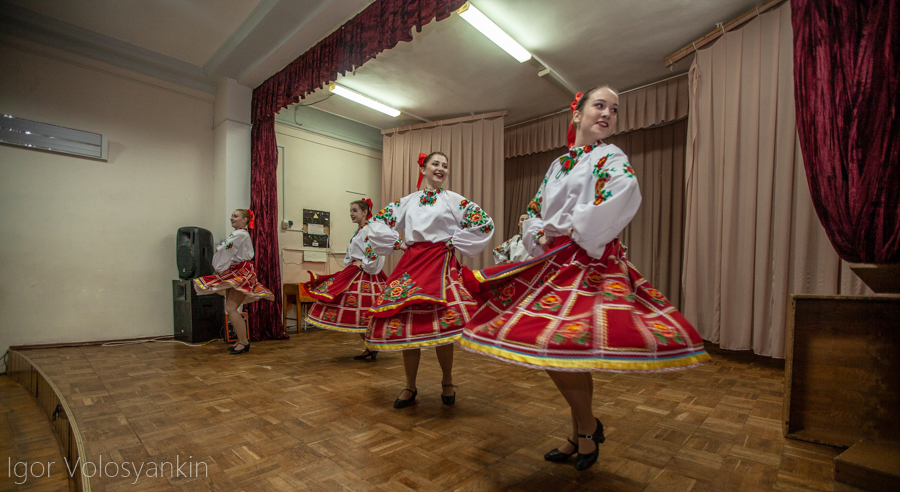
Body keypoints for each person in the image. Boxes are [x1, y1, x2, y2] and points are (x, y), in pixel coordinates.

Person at [460, 86, 710, 471]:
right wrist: (539, 231)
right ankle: (583, 429)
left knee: (565, 349)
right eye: (599, 105)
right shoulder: (557, 165)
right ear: (576, 114)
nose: (607, 113)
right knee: (553, 350)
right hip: (556, 259)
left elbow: (622, 192)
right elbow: (533, 209)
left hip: (589, 259)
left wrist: (563, 226)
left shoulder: (611, 155)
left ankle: (586, 430)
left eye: (614, 109)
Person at [366, 151, 495, 408]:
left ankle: (447, 381)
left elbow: (483, 222)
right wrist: (397, 243)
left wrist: (455, 241)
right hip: (412, 264)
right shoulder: (408, 201)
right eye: (435, 164)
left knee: (442, 324)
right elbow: (377, 221)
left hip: (440, 262)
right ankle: (409, 385)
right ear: (423, 169)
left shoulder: (453, 200)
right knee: (407, 324)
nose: (441, 168)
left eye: (445, 165)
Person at [304, 199, 387, 360]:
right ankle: (371, 347)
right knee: (360, 313)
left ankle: (373, 345)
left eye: (355, 210)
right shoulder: (360, 230)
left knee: (364, 313)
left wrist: (365, 264)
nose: (351, 213)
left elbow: (375, 253)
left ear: (365, 212)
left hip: (365, 274)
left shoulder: (369, 230)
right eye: (351, 210)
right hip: (356, 272)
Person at [194, 209, 275, 354]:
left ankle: (244, 342)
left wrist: (222, 263)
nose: (232, 218)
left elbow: (224, 247)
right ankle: (241, 340)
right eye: (232, 216)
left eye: (235, 216)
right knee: (231, 308)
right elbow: (228, 249)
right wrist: (228, 262)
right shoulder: (238, 234)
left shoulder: (240, 234)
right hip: (237, 271)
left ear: (244, 220)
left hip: (242, 273)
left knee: (231, 308)